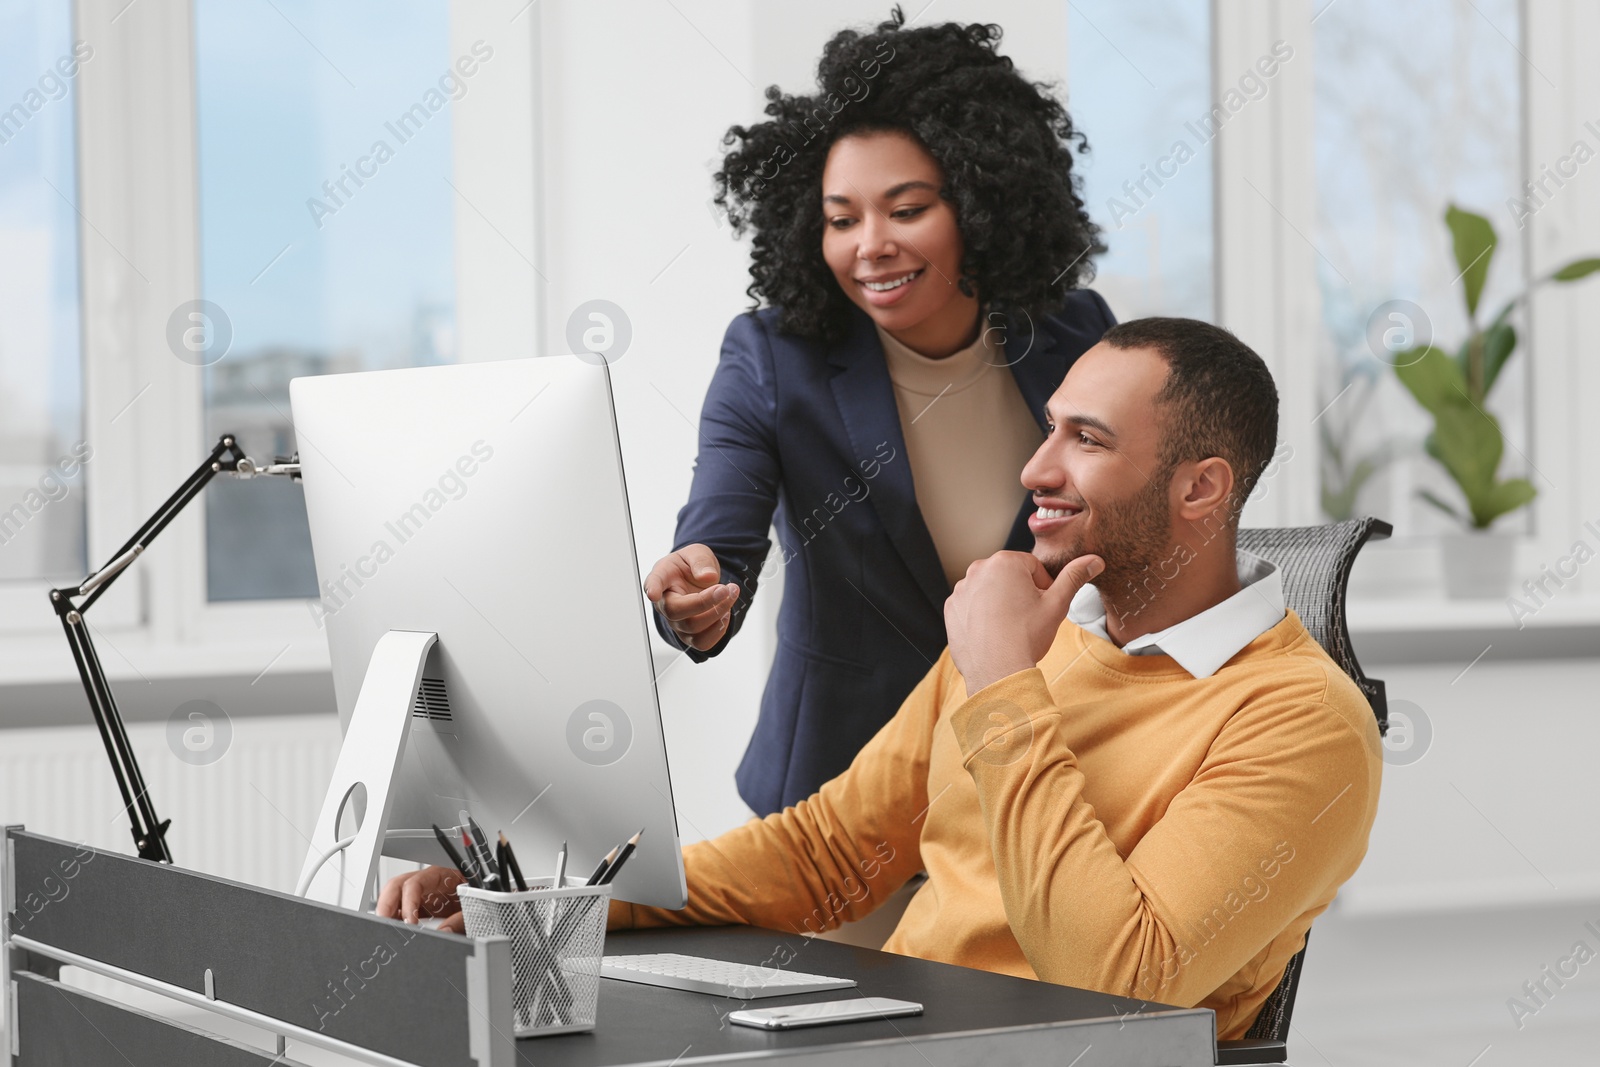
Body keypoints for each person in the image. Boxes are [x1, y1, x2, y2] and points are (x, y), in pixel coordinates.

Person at [380, 318, 1383, 1040]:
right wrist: (558, 889)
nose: (1037, 466)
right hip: (903, 1037)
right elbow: (825, 856)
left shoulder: (1301, 721)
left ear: (1201, 486)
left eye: (1085, 439)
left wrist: (1001, 687)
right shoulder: (1042, 635)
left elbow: (1114, 983)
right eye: (1049, 427)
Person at [642, 9, 1114, 816]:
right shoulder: (772, 359)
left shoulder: (1076, 336)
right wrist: (697, 592)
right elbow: (719, 538)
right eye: (840, 219)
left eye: (905, 210)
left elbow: (1132, 535)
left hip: (1037, 779)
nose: (870, 245)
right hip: (841, 801)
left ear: (979, 204)